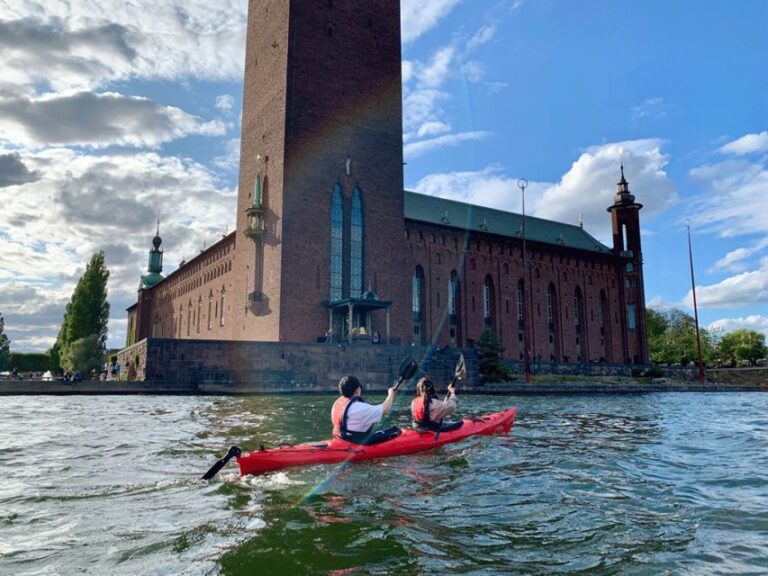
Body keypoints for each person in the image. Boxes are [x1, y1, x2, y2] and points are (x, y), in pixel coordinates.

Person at [331, 375, 401, 445]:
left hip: (341, 438)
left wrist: (391, 397)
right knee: (395, 431)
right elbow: (385, 409)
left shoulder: (339, 403)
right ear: (357, 390)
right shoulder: (359, 408)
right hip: (355, 443)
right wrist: (391, 394)